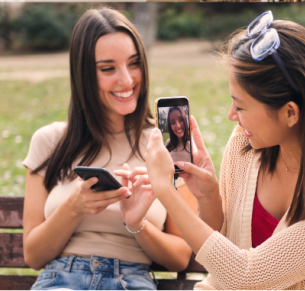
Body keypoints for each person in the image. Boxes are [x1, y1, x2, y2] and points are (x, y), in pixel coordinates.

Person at [143, 11, 305, 290]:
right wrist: (209, 198)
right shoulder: (244, 147)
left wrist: (165, 189)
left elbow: (245, 275)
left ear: (290, 113)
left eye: (240, 106)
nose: (231, 116)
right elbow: (219, 250)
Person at [22, 8, 196, 291]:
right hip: (61, 279)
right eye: (108, 68)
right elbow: (33, 255)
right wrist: (74, 207)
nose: (126, 80)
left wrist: (136, 222)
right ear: (83, 75)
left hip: (132, 281)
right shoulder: (49, 141)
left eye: (134, 63)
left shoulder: (166, 145)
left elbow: (180, 257)